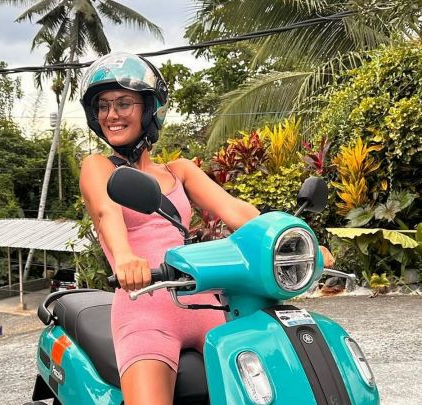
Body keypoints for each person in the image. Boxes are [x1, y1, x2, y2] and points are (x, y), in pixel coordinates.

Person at [79, 52, 335, 405]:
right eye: (103, 106)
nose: (111, 114)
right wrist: (124, 258)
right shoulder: (98, 167)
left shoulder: (179, 170)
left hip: (205, 305)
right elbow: (106, 213)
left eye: (124, 103)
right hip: (145, 309)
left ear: (150, 109)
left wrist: (294, 246)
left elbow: (237, 212)